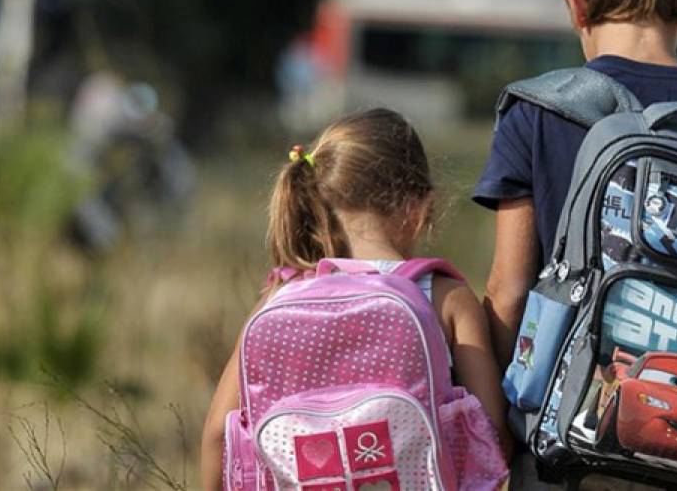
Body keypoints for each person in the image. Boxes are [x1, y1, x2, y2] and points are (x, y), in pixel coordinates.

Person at [474, 0, 677, 490]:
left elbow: (508, 291)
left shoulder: (537, 112)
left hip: (572, 446)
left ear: (573, 0)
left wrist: (505, 421)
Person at [201, 108, 511, 490]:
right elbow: (491, 431)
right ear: (419, 209)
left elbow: (217, 434)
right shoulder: (445, 297)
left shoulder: (282, 295)